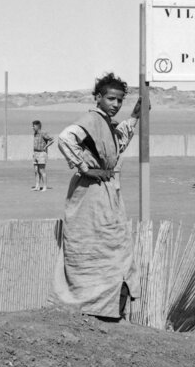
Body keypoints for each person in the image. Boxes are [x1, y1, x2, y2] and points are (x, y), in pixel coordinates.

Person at [52, 72, 148, 321]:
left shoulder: (105, 123)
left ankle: (105, 305)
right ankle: (88, 304)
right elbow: (65, 139)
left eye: (119, 100)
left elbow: (114, 146)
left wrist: (135, 116)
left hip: (105, 188)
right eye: (111, 99)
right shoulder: (92, 119)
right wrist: (84, 167)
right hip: (90, 192)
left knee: (110, 243)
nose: (116, 105)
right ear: (98, 98)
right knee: (92, 242)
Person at [31, 120, 55, 192]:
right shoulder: (35, 133)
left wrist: (46, 147)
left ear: (38, 126)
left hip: (42, 153)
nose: (32, 127)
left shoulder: (43, 133)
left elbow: (52, 140)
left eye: (33, 126)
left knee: (42, 171)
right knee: (36, 170)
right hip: (35, 153)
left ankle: (44, 187)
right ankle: (37, 186)